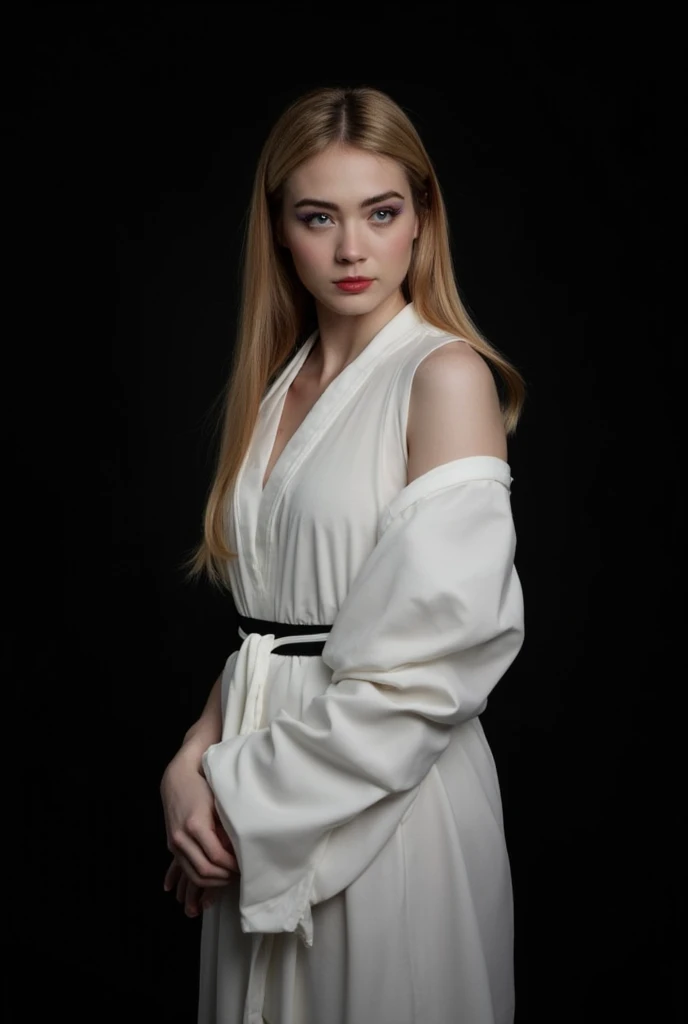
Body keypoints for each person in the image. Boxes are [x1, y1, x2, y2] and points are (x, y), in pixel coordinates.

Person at [160, 84, 526, 1024]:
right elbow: (272, 630)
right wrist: (195, 757)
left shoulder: (442, 377)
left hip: (384, 810)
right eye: (318, 216)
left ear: (422, 220)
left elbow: (430, 670)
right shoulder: (280, 385)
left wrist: (240, 794)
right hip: (262, 787)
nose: (352, 249)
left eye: (381, 212)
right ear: (280, 228)